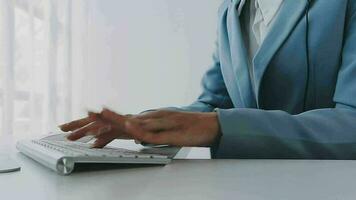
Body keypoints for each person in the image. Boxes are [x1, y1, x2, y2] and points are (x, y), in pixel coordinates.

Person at [60, 0, 356, 159]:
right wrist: (144, 124)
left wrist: (218, 127)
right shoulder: (230, 10)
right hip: (242, 186)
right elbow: (215, 102)